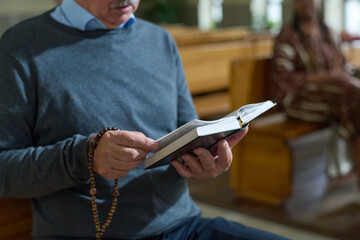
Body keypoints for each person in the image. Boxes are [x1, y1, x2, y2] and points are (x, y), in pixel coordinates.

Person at [0, 0, 289, 239]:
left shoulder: (160, 40)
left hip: (182, 227)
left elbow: (189, 131)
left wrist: (208, 160)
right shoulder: (20, 47)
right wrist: (85, 156)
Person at [269, 0, 360, 189]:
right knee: (353, 96)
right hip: (298, 99)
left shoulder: (328, 32)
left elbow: (342, 65)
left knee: (353, 95)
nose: (307, 3)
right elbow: (285, 79)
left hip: (335, 94)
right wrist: (327, 77)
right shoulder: (288, 36)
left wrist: (341, 75)